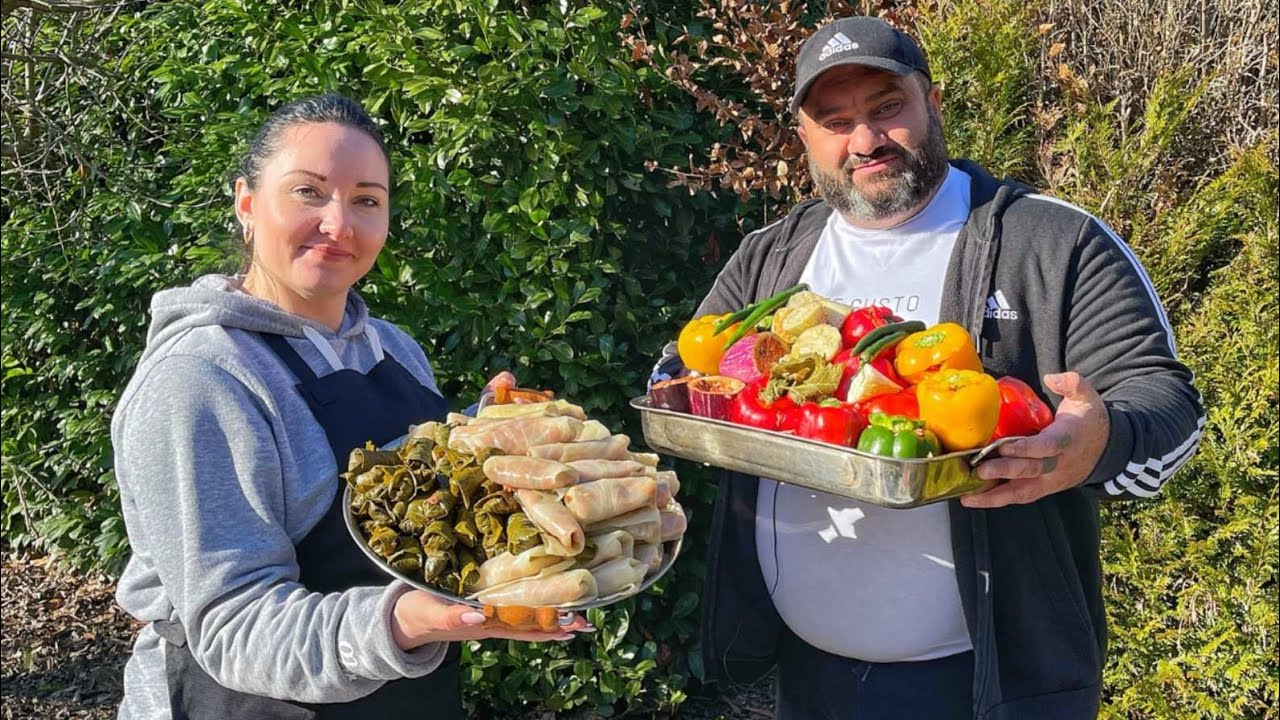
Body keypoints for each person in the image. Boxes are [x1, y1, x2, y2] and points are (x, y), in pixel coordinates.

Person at [652, 17, 1204, 720]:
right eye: (835, 120)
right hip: (806, 676)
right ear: (804, 139)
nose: (865, 140)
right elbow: (681, 370)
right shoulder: (773, 255)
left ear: (932, 103)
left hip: (988, 686)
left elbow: (1167, 406)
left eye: (887, 108)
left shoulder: (1053, 242)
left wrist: (1098, 444)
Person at [111, 93, 590, 720]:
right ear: (247, 204)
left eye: (366, 199)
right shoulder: (201, 380)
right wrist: (402, 623)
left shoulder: (393, 348)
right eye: (308, 192)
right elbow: (232, 625)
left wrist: (484, 436)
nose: (339, 223)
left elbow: (411, 499)